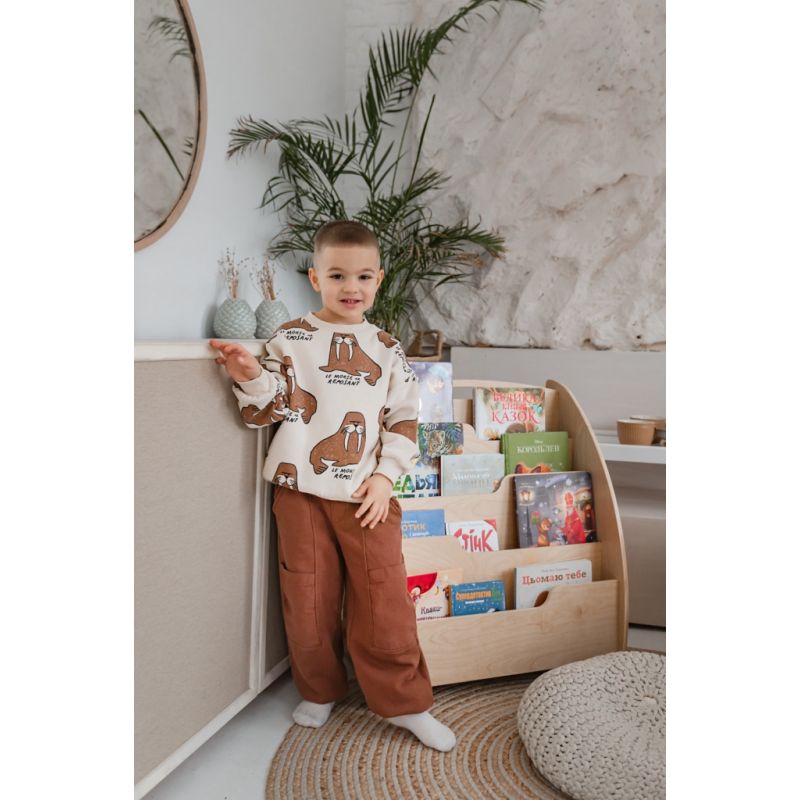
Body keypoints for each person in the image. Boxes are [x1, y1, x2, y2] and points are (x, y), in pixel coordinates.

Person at [210, 220, 456, 752]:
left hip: (367, 495)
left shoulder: (387, 349)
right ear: (316, 278)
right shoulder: (289, 339)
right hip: (300, 492)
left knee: (384, 600)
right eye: (338, 275)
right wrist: (248, 371)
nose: (352, 287)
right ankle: (319, 688)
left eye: (364, 276)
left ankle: (405, 704)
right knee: (308, 596)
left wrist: (385, 479)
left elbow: (405, 420)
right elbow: (268, 408)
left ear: (379, 280)